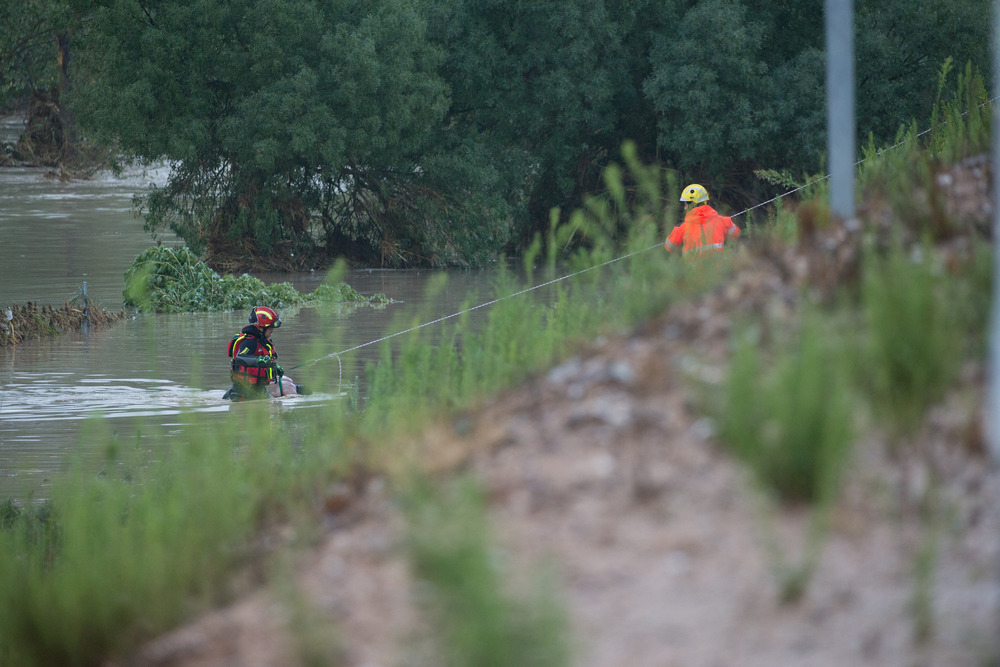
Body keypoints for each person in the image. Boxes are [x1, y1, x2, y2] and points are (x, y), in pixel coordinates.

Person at [224, 306, 303, 400]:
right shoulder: (249, 342)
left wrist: (274, 367)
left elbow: (263, 362)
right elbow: (240, 358)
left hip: (259, 389)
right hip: (244, 392)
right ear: (261, 328)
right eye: (270, 328)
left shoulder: (261, 341)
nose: (272, 330)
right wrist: (258, 360)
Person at [664, 183, 741, 256]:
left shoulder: (681, 228)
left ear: (693, 204)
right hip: (720, 268)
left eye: (686, 204)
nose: (685, 208)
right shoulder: (724, 221)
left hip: (694, 269)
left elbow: (669, 247)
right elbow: (736, 234)